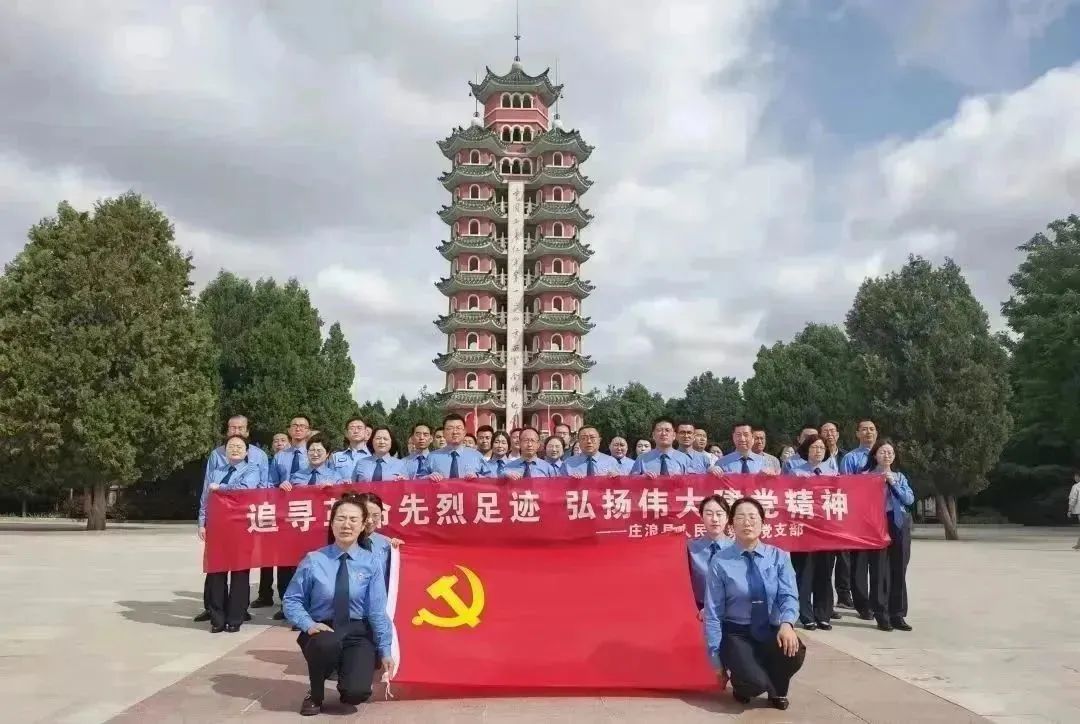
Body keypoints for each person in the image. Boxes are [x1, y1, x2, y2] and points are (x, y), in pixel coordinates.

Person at [283, 493, 396, 716]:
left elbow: (376, 610)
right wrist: (308, 624)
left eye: (353, 520)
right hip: (323, 629)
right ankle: (315, 693)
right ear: (332, 523)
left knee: (356, 694)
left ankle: (349, 674)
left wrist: (385, 649)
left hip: (357, 631)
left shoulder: (370, 563)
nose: (347, 525)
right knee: (326, 644)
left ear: (363, 525)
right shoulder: (314, 560)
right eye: (341, 518)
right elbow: (291, 600)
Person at [703, 497, 805, 710]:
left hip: (771, 629)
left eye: (752, 517)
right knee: (754, 683)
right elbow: (713, 612)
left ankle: (777, 689)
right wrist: (716, 661)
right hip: (737, 633)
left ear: (763, 523)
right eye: (740, 517)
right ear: (732, 524)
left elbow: (788, 595)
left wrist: (787, 624)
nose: (747, 522)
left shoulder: (778, 557)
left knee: (794, 652)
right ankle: (743, 685)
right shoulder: (720, 561)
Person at [194, 415, 269, 622]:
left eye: (240, 428)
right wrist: (202, 521)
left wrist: (222, 488)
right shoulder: (216, 457)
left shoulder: (258, 459)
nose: (236, 432)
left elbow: (259, 487)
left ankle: (238, 611)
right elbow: (206, 492)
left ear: (247, 431)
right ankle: (214, 610)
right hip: (218, 524)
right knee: (216, 569)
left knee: (240, 570)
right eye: (232, 428)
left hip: (243, 522)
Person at [861, 439, 915, 632]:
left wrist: (893, 483)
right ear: (875, 455)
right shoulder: (866, 477)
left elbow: (909, 499)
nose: (887, 455)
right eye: (883, 452)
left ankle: (897, 614)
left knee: (899, 568)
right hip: (877, 524)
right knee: (879, 569)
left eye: (890, 452)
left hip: (899, 523)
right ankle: (881, 614)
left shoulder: (899, 476)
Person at [788, 435, 838, 630]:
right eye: (814, 447)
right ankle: (806, 615)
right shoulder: (795, 472)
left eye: (822, 448)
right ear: (806, 450)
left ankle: (823, 614)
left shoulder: (833, 473)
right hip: (804, 531)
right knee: (804, 574)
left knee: (824, 573)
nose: (818, 451)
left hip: (826, 531)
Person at [842, 419, 880, 616]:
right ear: (857, 434)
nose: (868, 432)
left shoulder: (885, 455)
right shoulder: (850, 458)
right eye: (864, 429)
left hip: (882, 516)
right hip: (859, 516)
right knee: (859, 564)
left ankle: (879, 602)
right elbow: (845, 487)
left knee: (880, 564)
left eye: (872, 429)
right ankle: (863, 605)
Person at [689, 495, 733, 616]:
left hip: (731, 612)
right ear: (701, 517)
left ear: (727, 518)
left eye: (719, 514)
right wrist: (673, 538)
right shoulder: (690, 547)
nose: (714, 519)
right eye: (709, 514)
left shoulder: (739, 549)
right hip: (696, 613)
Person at [425, 414, 488, 480]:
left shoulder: (477, 456)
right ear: (443, 433)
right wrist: (428, 477)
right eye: (450, 428)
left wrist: (478, 476)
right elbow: (420, 478)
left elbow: (490, 478)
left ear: (464, 432)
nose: (455, 432)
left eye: (458, 428)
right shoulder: (432, 457)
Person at [1069, 471, 1080, 550]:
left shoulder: (1076, 486)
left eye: (1076, 476)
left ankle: (1079, 544)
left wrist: (1069, 510)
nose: (1075, 478)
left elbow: (1073, 498)